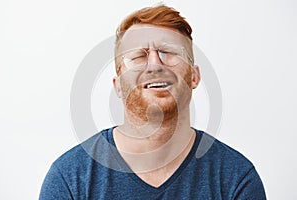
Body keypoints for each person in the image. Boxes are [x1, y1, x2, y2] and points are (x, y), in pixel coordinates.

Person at [39, 4, 266, 199]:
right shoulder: (69, 178)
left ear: (194, 77)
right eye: (139, 56)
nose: (155, 65)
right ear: (118, 86)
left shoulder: (236, 179)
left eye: (168, 51)